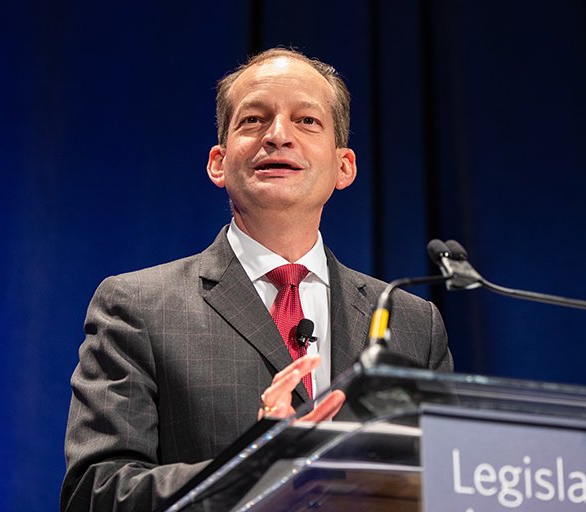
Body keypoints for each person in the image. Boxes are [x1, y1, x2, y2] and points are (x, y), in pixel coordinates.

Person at [61, 47, 452, 512]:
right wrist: (257, 466)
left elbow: (446, 483)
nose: (278, 135)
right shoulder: (139, 307)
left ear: (343, 166)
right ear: (218, 163)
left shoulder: (412, 323)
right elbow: (97, 493)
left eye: (307, 121)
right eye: (253, 120)